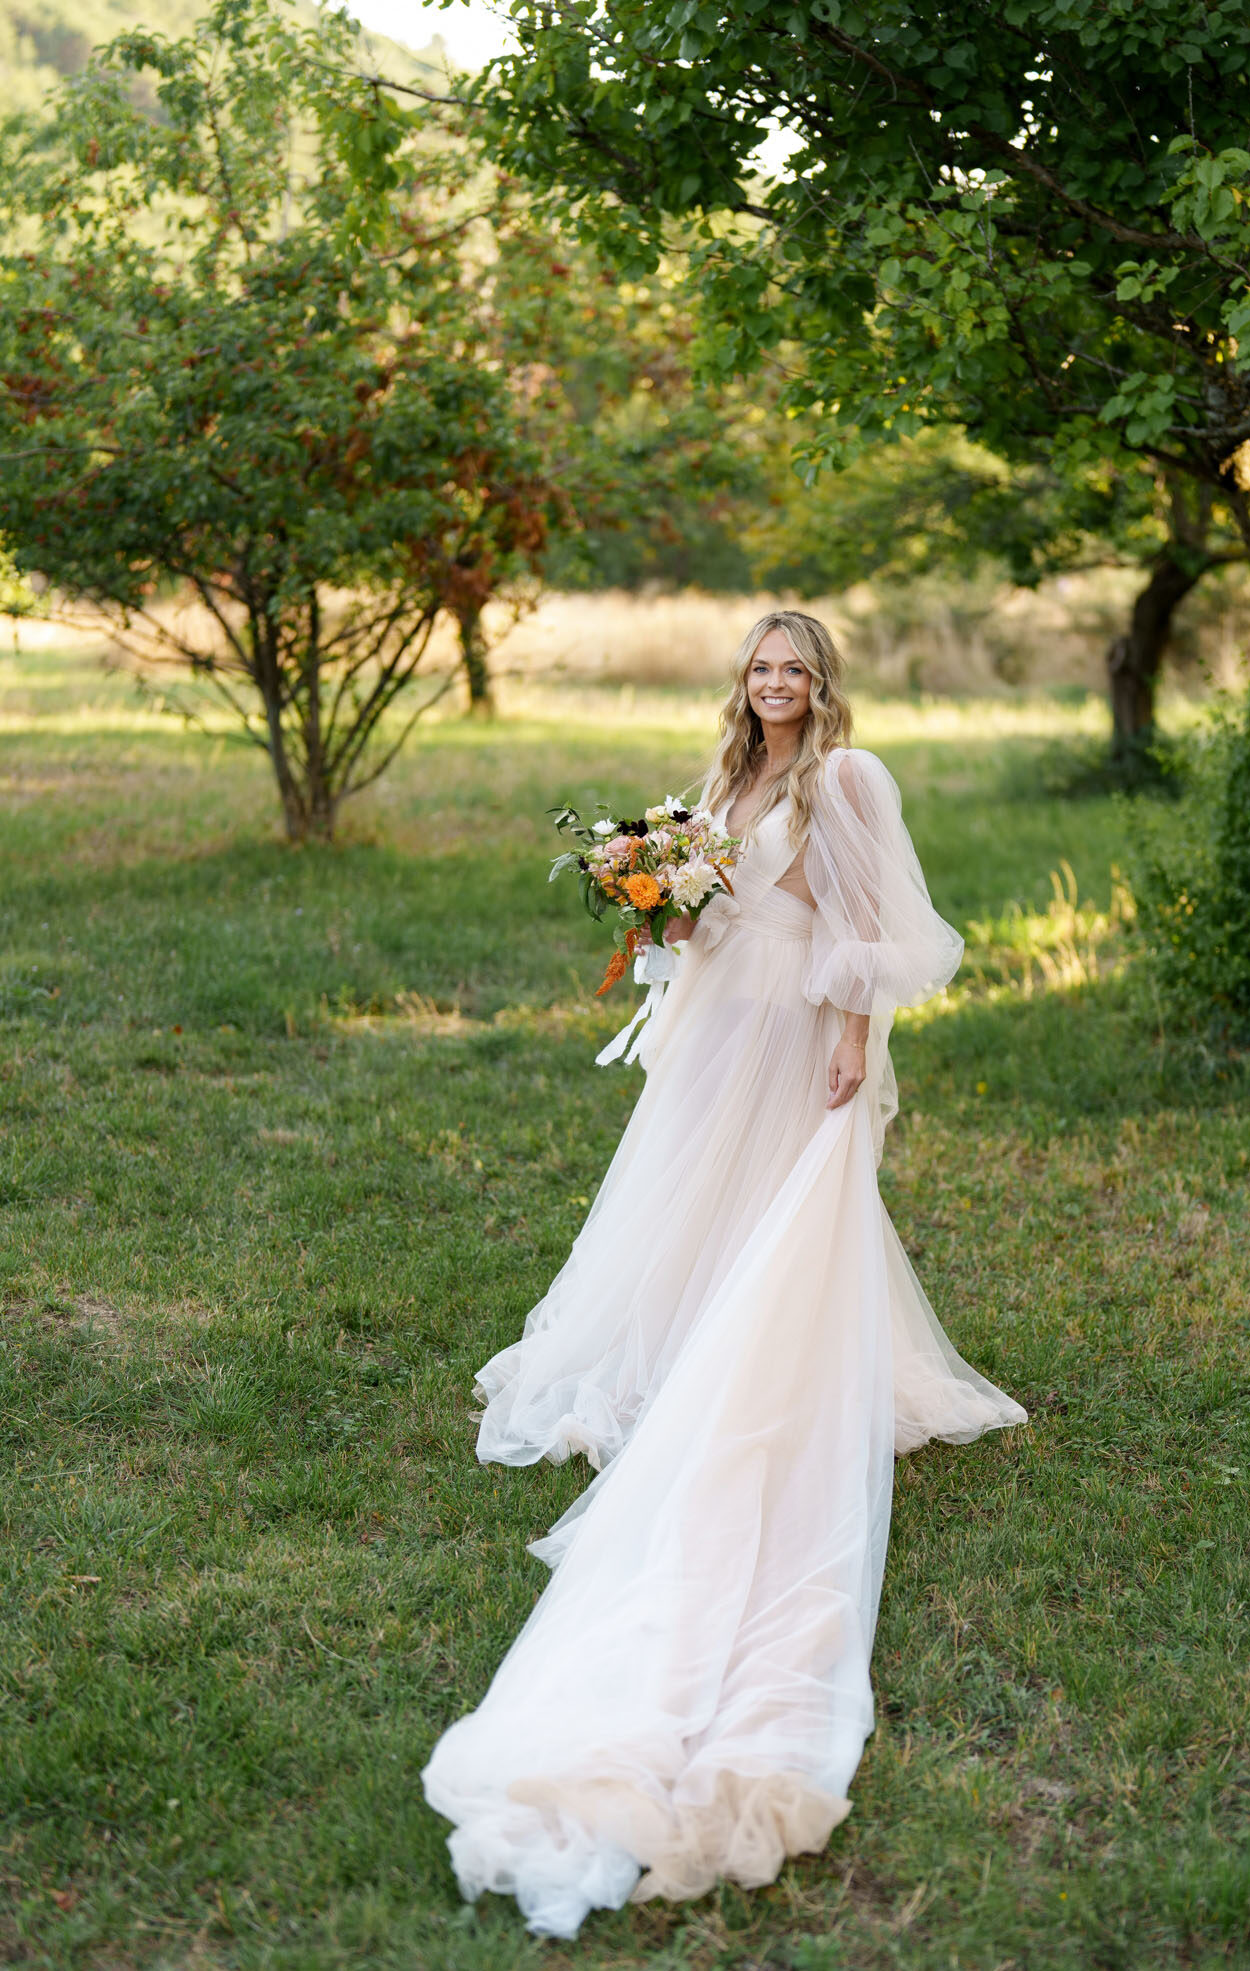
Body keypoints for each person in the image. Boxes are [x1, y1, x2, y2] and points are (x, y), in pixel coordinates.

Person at [422, 609, 1027, 1937]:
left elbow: (874, 923)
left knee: (779, 1216)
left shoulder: (846, 782)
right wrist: (657, 902)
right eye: (760, 670)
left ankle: (766, 1358)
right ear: (741, 684)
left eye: (796, 671)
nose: (776, 688)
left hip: (796, 1025)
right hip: (714, 1026)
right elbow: (702, 905)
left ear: (824, 685)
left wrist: (855, 1040)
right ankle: (680, 1349)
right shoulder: (723, 776)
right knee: (684, 1207)